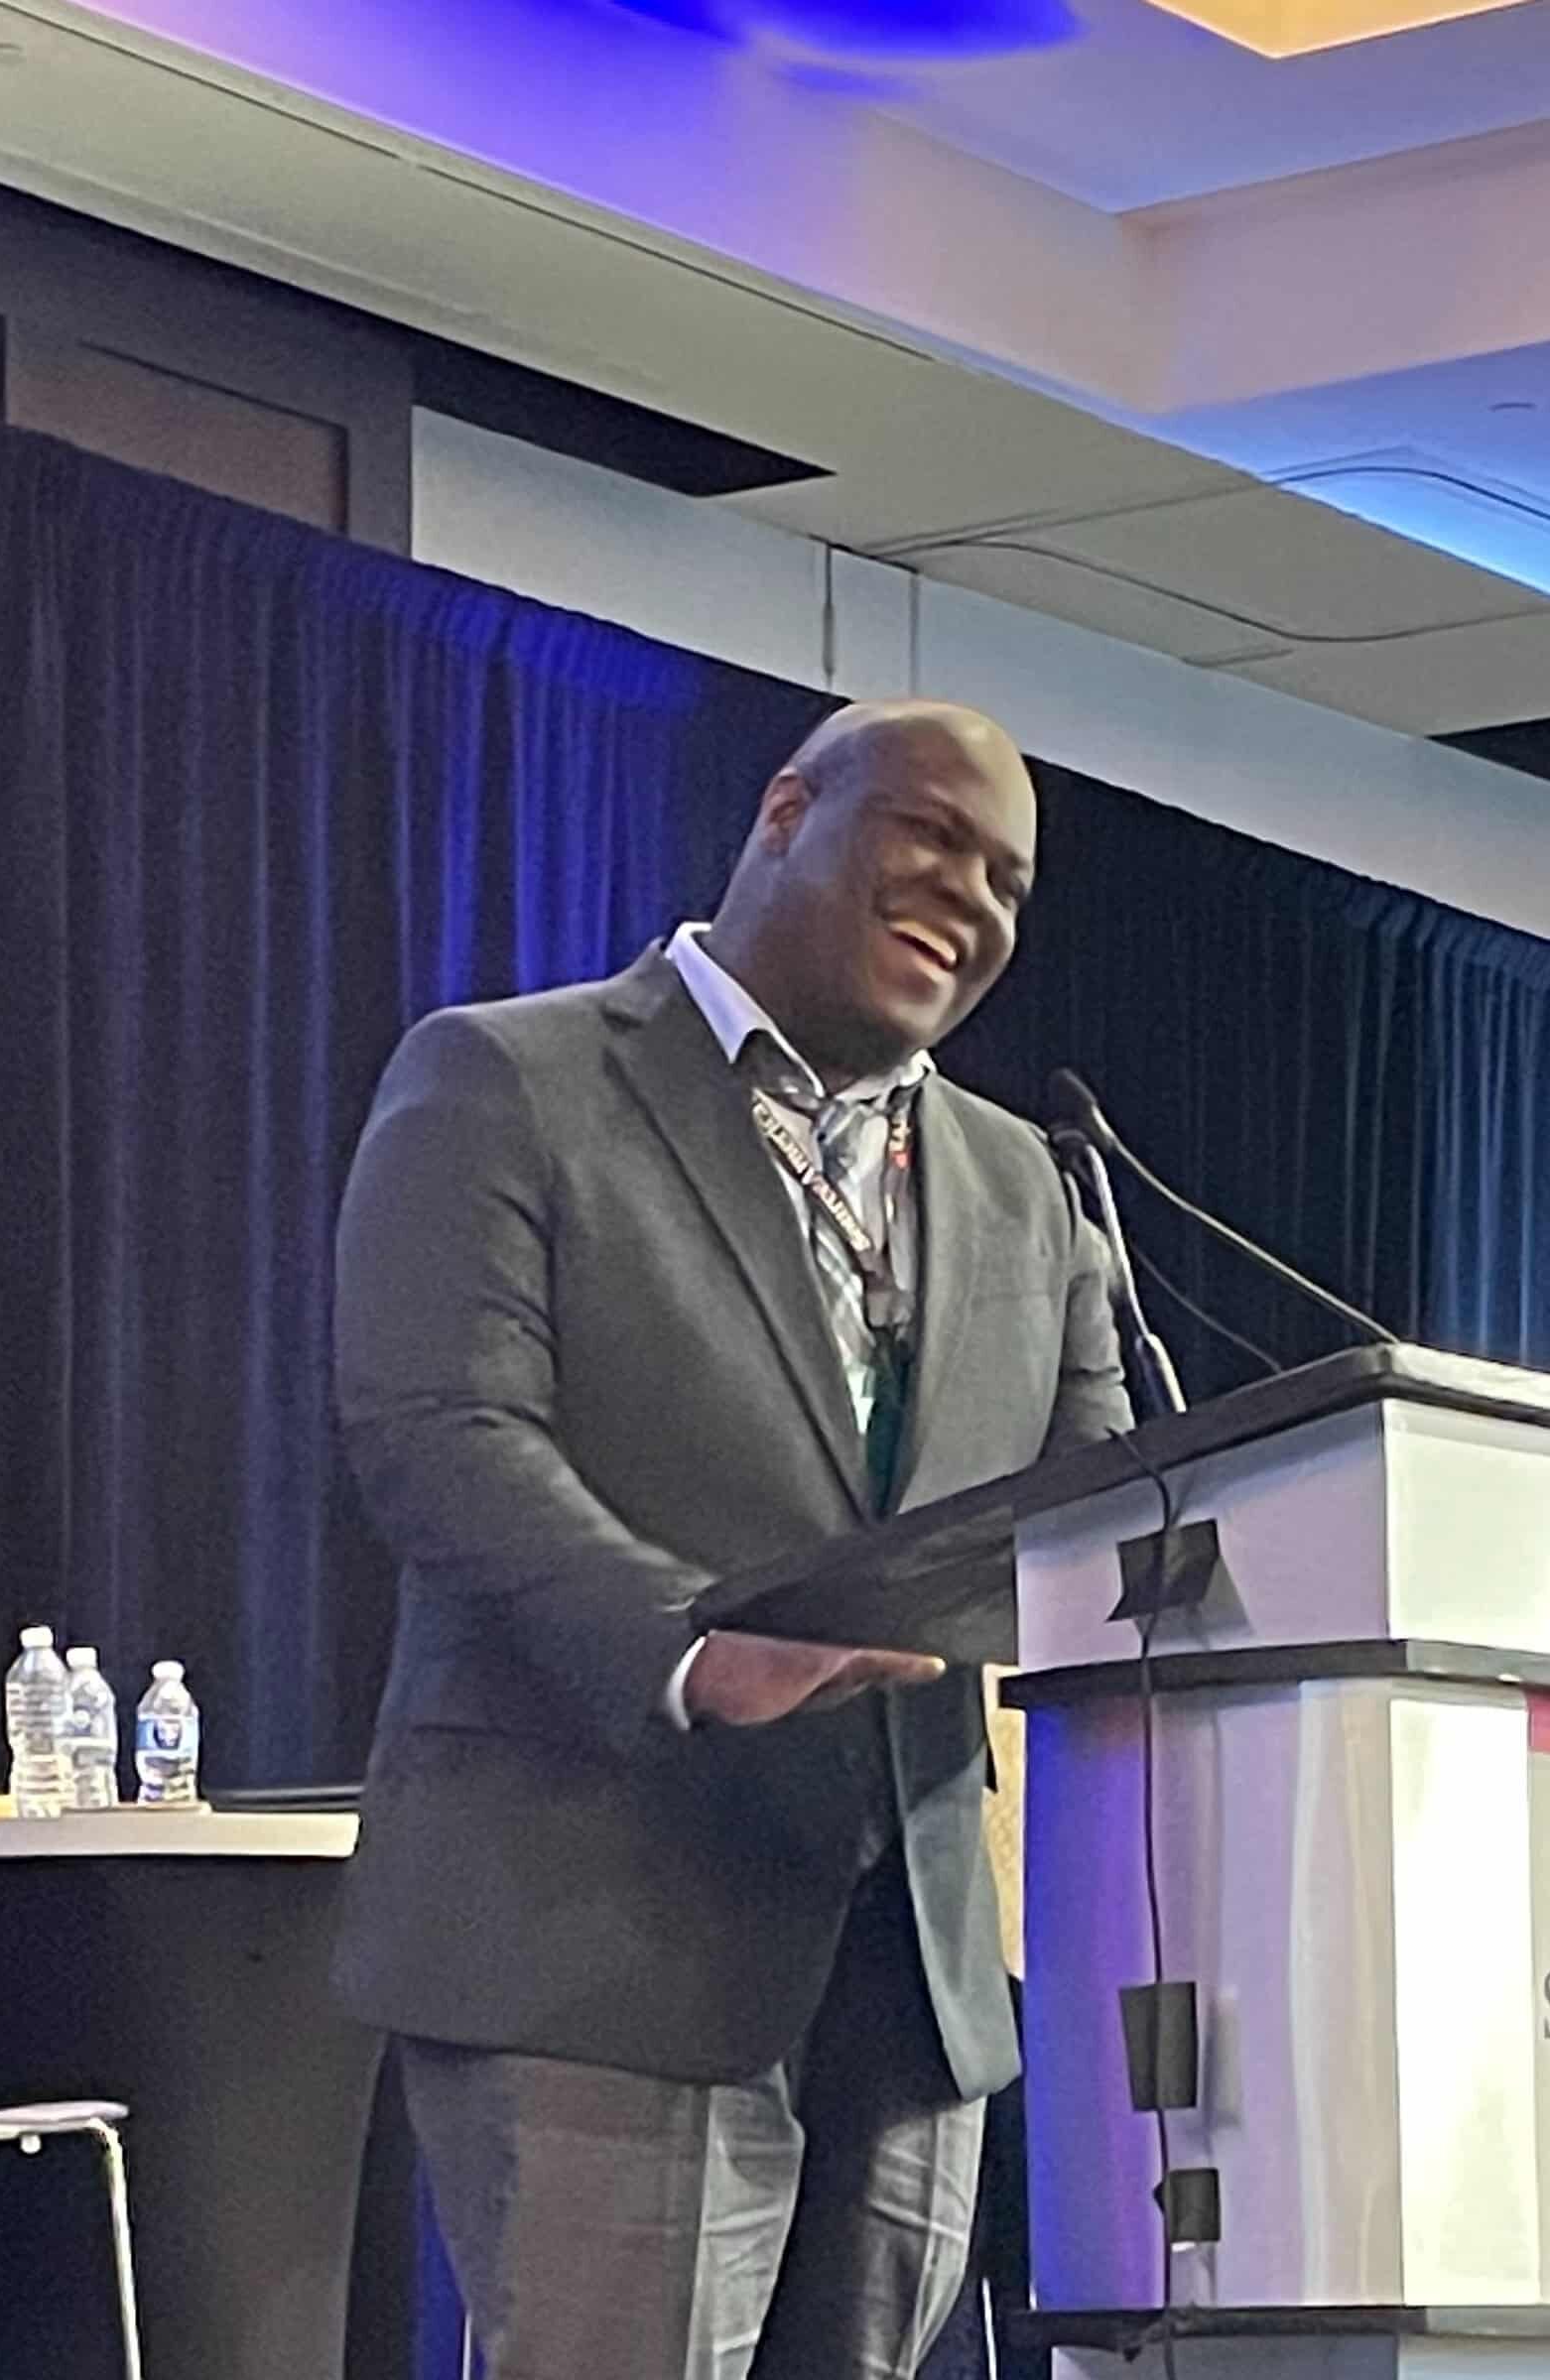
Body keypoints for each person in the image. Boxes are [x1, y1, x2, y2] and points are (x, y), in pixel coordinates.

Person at [333, 698, 1130, 2378]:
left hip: (911, 1979)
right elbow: (442, 1436)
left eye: (1010, 881)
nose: (972, 901)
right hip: (607, 1928)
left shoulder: (1025, 1184)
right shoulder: (509, 1077)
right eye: (935, 837)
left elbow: (1100, 1506)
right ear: (787, 812)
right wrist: (692, 1644)